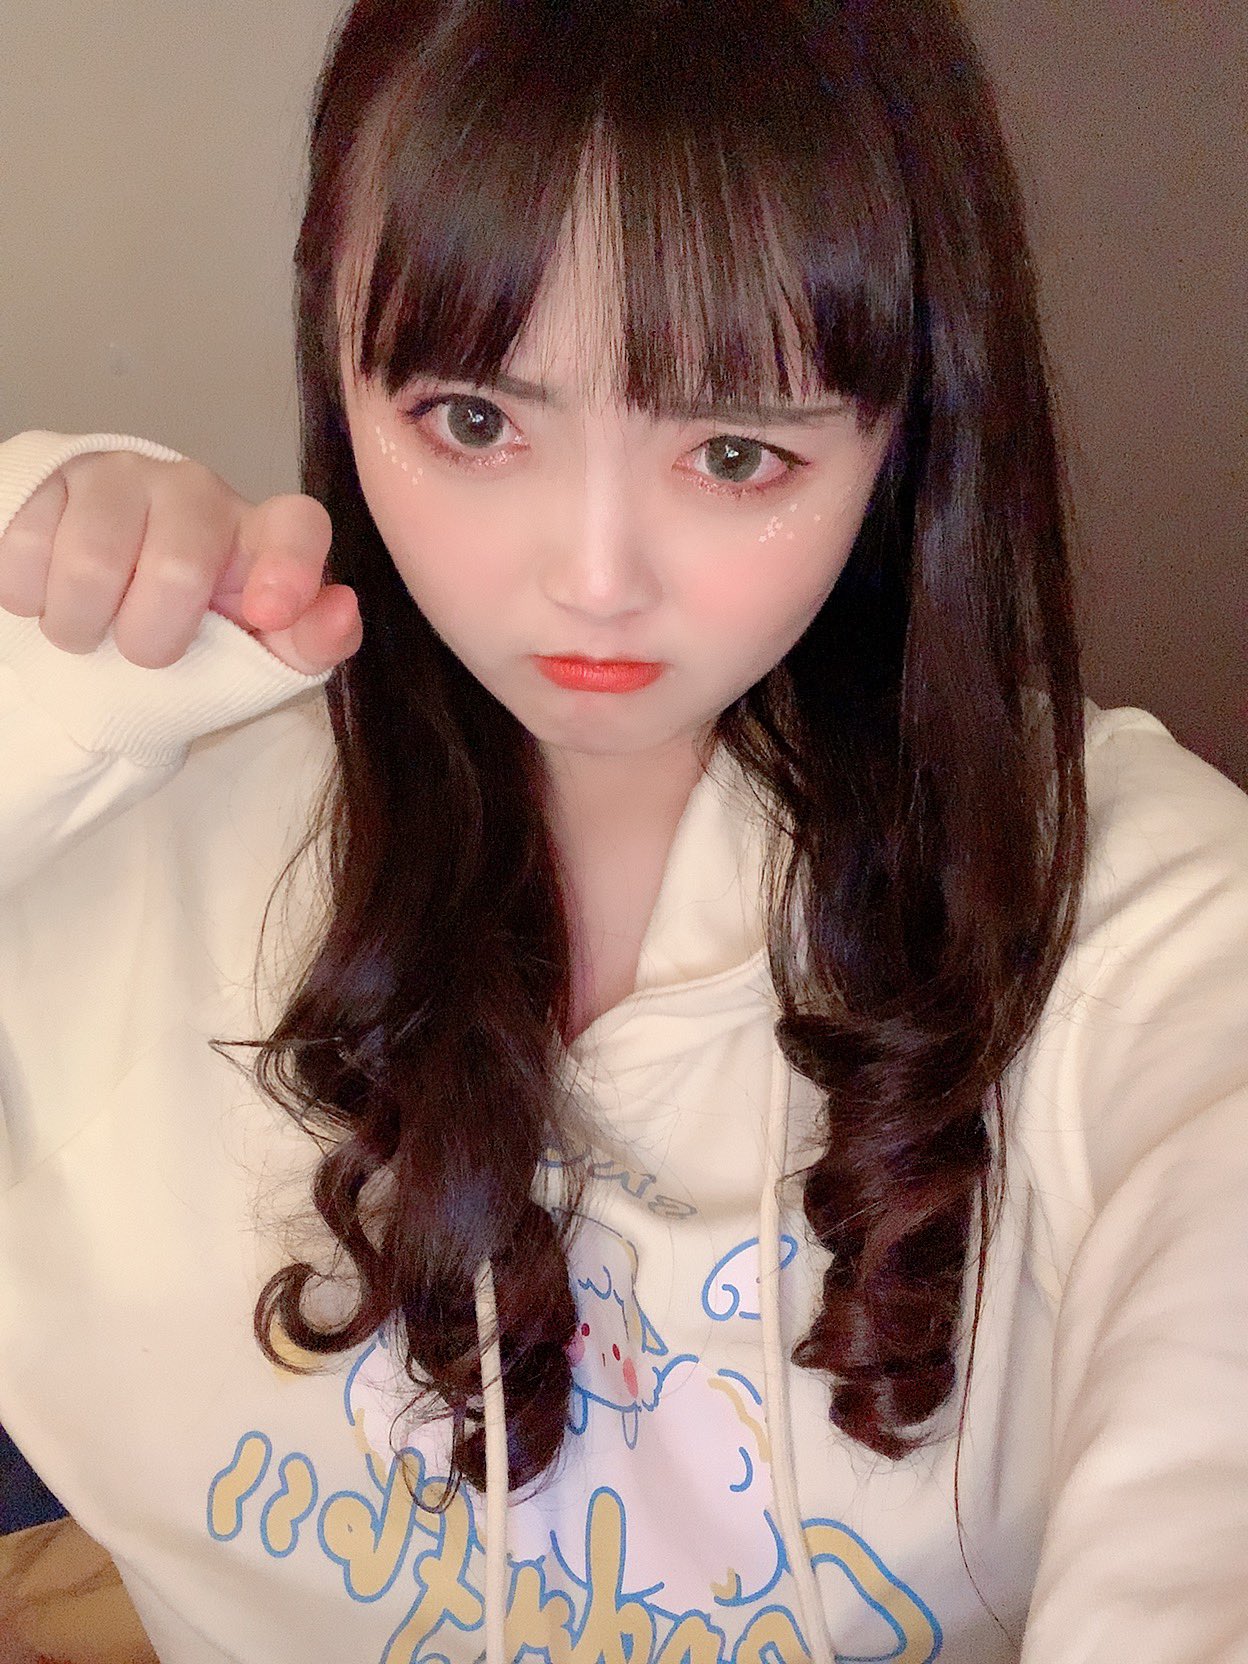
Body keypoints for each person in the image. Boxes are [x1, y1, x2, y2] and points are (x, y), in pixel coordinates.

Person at [1, 1, 1245, 1660]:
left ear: (904, 424)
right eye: (474, 421)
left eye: (734, 452)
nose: (591, 579)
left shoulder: (1132, 914)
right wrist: (39, 701)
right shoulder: (160, 812)